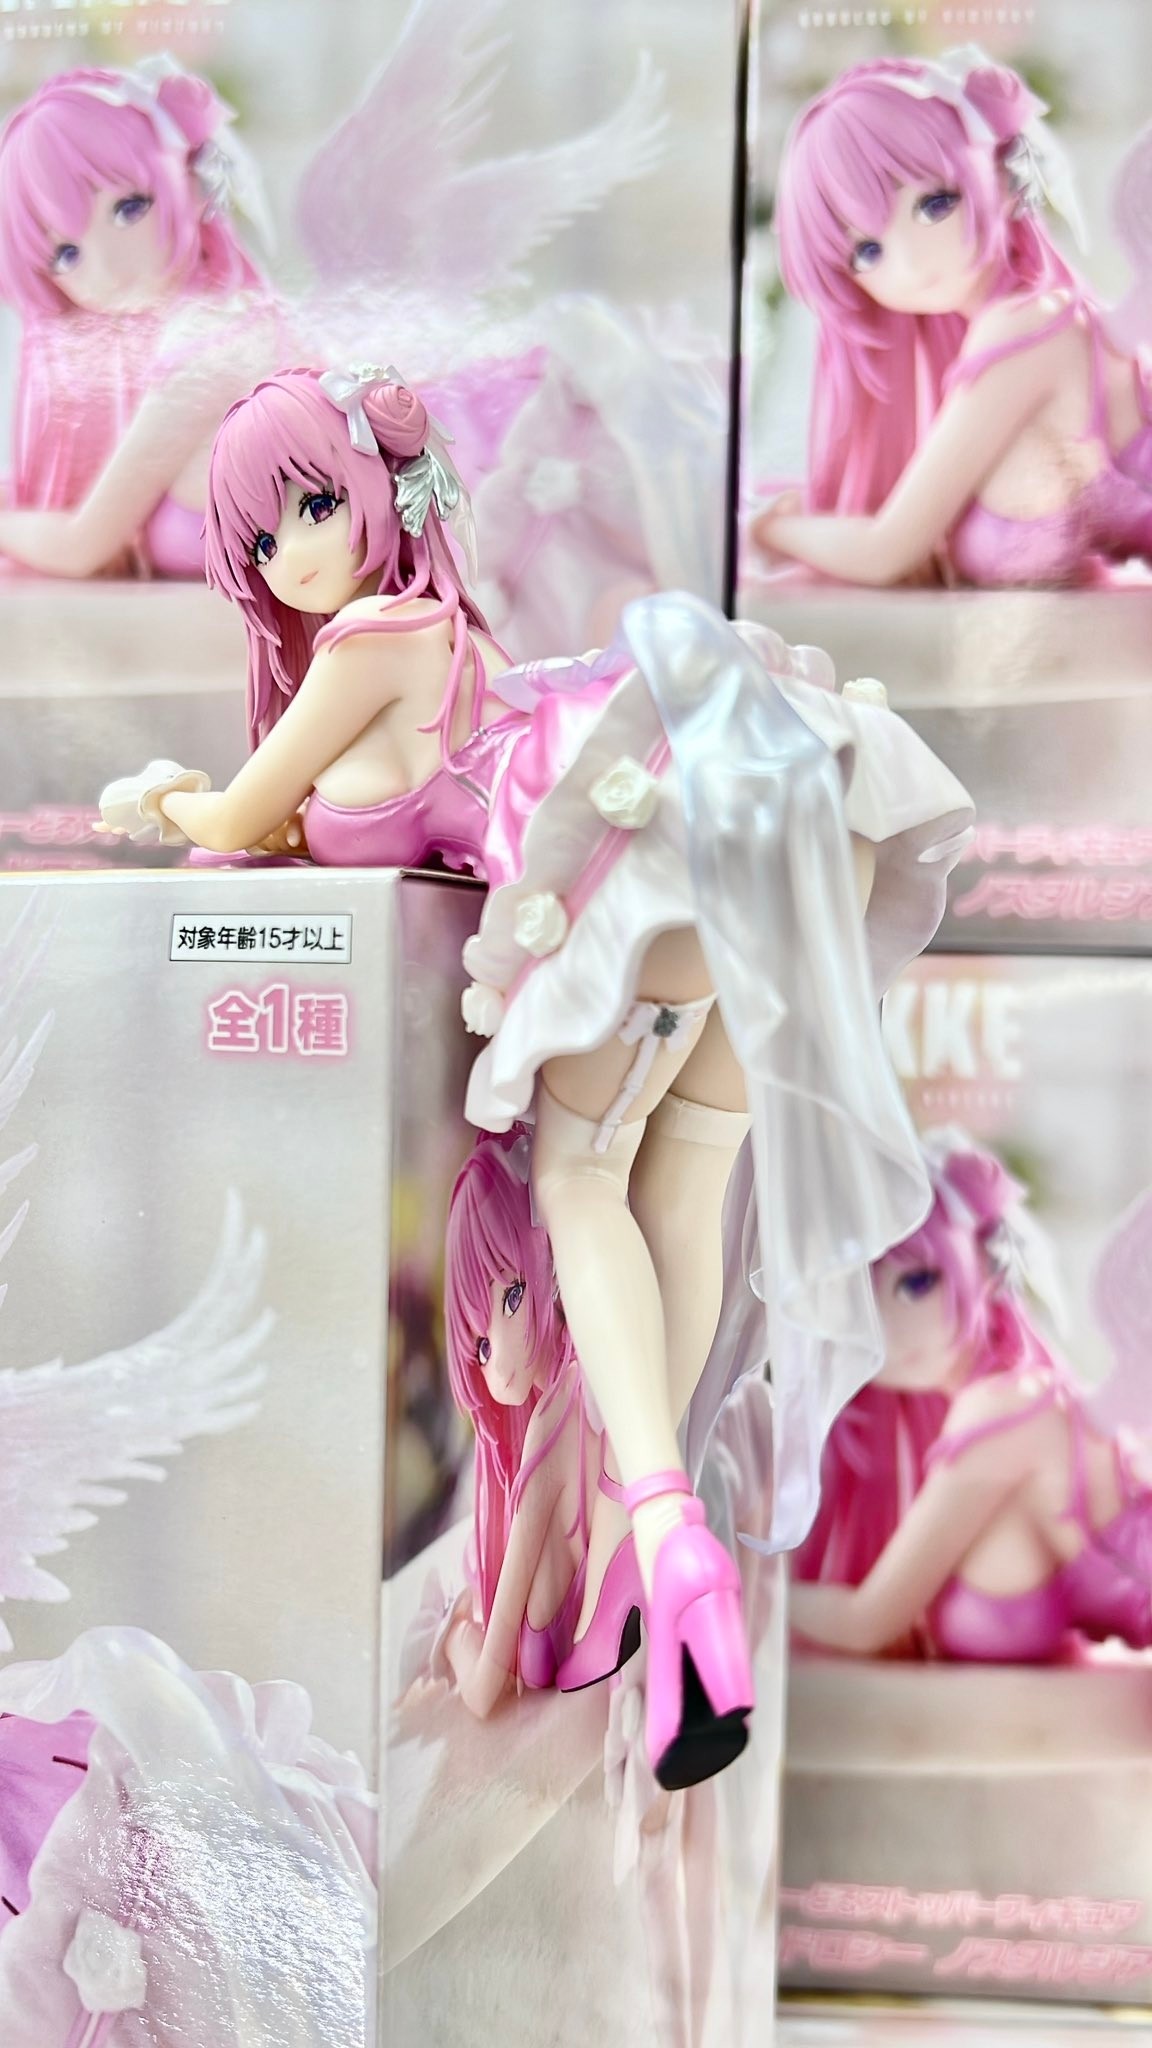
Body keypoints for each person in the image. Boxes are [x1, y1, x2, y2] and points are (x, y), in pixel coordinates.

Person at [99, 363, 973, 1785]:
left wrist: (162, 795)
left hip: (668, 836)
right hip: (778, 802)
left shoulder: (366, 644)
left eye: (311, 507)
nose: (290, 554)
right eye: (258, 537)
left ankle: (667, 1534)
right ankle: (637, 1572)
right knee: (680, 1184)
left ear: (384, 488)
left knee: (579, 1180)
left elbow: (236, 818)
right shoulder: (459, 639)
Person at [753, 49, 1152, 588]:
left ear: (1003, 178)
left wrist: (768, 530)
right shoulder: (1039, 317)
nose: (912, 263)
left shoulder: (1026, 327)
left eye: (934, 204)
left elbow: (883, 552)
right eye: (867, 252)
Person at [791, 1133, 1152, 1662]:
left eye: (918, 1284)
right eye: (858, 1300)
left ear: (984, 1266)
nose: (891, 1327)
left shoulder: (1001, 1409)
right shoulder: (1024, 1402)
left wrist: (739, 1581)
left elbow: (864, 1623)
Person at [0, 56, 275, 578]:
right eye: (65, 255)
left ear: (189, 180)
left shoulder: (212, 346)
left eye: (129, 209)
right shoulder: (204, 327)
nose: (109, 269)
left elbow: (80, 547)